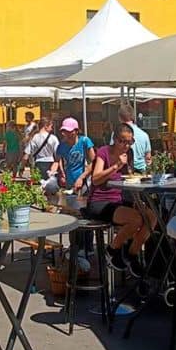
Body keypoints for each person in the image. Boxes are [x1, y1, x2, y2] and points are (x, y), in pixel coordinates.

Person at [87, 124, 157, 278]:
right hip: (100, 201)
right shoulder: (104, 152)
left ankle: (131, 255)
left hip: (119, 200)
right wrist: (116, 166)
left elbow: (128, 177)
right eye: (122, 141)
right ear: (115, 140)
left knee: (151, 217)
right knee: (136, 219)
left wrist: (137, 198)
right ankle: (112, 251)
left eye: (129, 142)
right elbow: (96, 179)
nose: (126, 145)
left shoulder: (129, 154)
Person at [53, 118, 96, 194]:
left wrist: (81, 178)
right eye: (65, 131)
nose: (68, 134)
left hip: (85, 183)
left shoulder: (84, 141)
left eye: (70, 131)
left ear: (76, 131)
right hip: (69, 183)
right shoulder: (61, 146)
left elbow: (94, 162)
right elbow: (57, 161)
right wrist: (58, 173)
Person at [114, 105, 150, 173]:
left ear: (120, 118)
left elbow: (113, 152)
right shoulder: (144, 135)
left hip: (123, 170)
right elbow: (148, 157)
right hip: (142, 171)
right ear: (133, 117)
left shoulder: (117, 133)